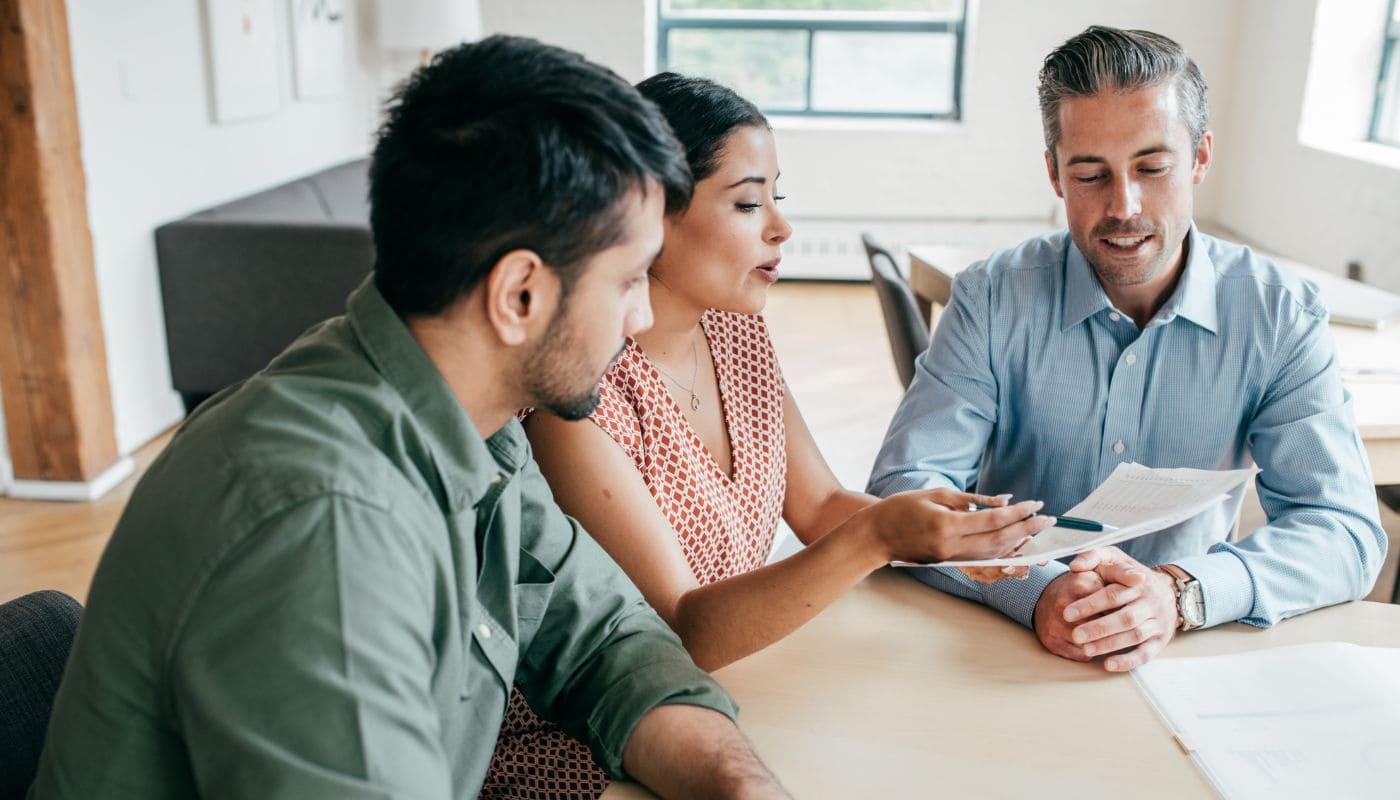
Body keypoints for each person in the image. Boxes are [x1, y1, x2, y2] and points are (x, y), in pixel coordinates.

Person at [29, 37, 789, 799]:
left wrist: (735, 782)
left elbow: (608, 642)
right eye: (628, 280)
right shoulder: (319, 524)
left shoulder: (474, 425)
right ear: (519, 294)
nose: (641, 315)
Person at [482, 73, 1053, 798]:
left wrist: (947, 532)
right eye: (749, 202)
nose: (780, 228)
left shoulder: (736, 330)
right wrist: (879, 538)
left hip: (744, 686)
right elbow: (683, 633)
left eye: (778, 199)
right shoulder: (577, 402)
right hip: (595, 740)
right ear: (650, 215)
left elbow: (816, 507)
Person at [868, 25, 1387, 673]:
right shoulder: (993, 295)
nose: (1124, 207)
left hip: (1189, 651)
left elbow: (1341, 529)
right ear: (1055, 173)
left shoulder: (1279, 312)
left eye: (1153, 167)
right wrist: (1039, 590)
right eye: (1090, 173)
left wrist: (1180, 591)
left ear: (1199, 158)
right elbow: (903, 490)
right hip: (1000, 647)